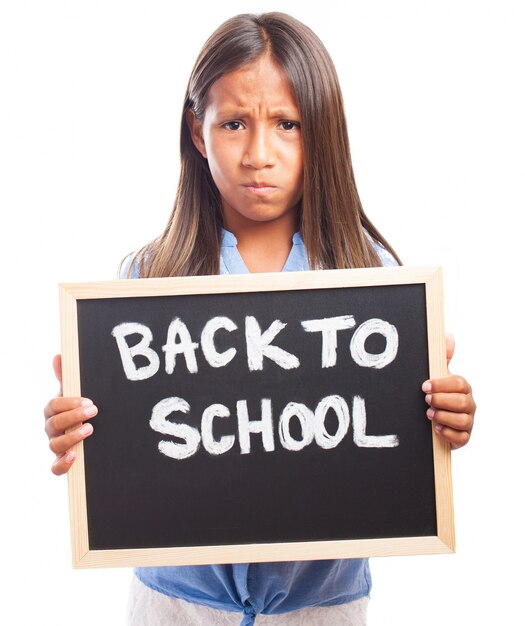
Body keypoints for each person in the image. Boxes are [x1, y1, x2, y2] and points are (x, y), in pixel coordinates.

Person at [43, 12, 476, 625]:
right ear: (198, 133)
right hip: (174, 605)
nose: (258, 155)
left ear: (321, 131)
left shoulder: (370, 277)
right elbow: (126, 452)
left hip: (322, 607)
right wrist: (79, 433)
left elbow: (395, 438)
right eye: (234, 124)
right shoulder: (148, 280)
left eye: (287, 125)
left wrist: (442, 417)